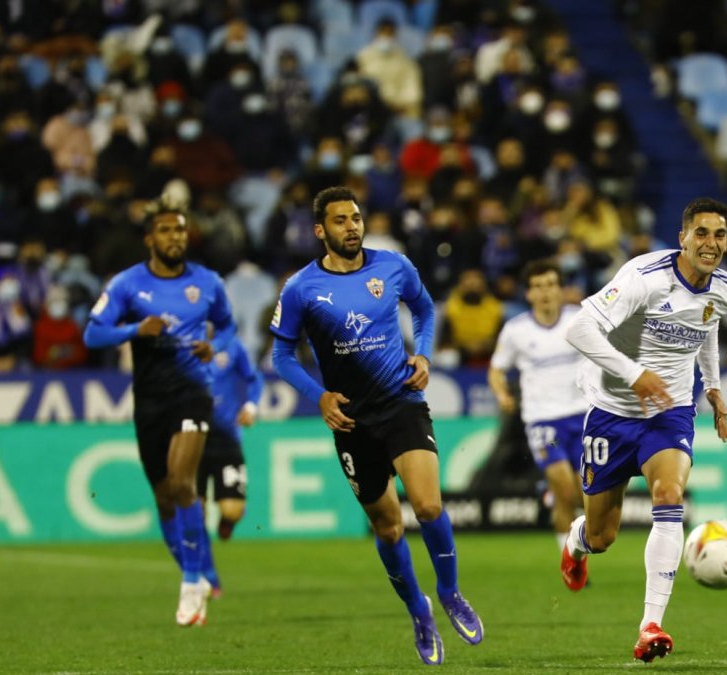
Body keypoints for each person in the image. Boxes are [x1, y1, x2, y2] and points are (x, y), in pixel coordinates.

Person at [270, 186, 483, 666]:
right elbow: (282, 355)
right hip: (351, 418)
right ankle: (418, 611)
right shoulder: (300, 288)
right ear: (320, 230)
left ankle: (449, 592)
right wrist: (318, 395)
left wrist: (424, 352)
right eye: (341, 221)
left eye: (357, 218)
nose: (352, 227)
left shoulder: (393, 266)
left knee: (428, 505)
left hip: (401, 402)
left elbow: (426, 309)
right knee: (388, 528)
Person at [561, 197, 727, 663]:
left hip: (670, 411)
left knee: (668, 494)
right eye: (701, 233)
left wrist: (714, 387)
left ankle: (650, 625)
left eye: (719, 235)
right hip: (613, 412)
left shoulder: (725, 288)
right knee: (603, 536)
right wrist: (633, 373)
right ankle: (576, 544)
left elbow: (708, 324)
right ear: (682, 237)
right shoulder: (644, 278)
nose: (711, 244)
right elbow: (578, 330)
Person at [83, 204, 236, 626]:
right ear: (150, 239)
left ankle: (191, 581)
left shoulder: (207, 283)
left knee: (184, 481)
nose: (175, 237)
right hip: (150, 400)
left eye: (181, 230)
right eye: (166, 230)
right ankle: (198, 573)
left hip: (193, 392)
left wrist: (215, 347)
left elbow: (226, 328)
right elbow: (93, 333)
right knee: (165, 495)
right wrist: (134, 330)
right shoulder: (127, 284)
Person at [488, 259, 588, 555]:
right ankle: (569, 558)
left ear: (561, 289)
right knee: (565, 490)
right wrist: (502, 394)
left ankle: (551, 496)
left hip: (583, 416)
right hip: (544, 420)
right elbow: (496, 369)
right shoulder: (516, 330)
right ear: (528, 294)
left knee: (586, 494)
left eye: (550, 285)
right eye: (537, 287)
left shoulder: (580, 319)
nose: (544, 292)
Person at [199, 332, 264, 577]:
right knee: (196, 513)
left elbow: (253, 378)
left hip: (227, 438)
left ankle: (228, 521)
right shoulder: (182, 344)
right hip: (193, 437)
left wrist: (251, 406)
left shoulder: (233, 346)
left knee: (232, 511)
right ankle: (206, 576)